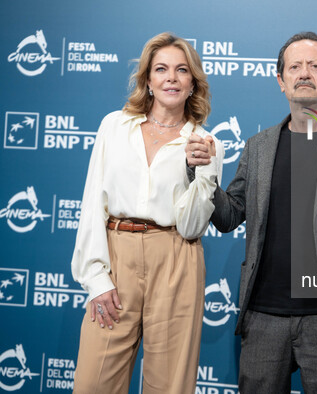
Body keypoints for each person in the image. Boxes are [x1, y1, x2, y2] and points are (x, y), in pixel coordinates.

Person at [186, 32, 317, 393]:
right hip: (263, 315)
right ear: (281, 81)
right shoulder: (258, 147)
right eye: (294, 66)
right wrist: (202, 176)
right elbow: (229, 216)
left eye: (315, 66)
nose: (304, 73)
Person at [71, 32, 223, 393]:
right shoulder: (114, 126)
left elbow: (191, 226)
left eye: (181, 70)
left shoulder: (206, 143)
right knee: (93, 383)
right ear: (148, 81)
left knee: (170, 385)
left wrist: (195, 171)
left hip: (176, 259)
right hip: (117, 254)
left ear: (192, 84)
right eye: (161, 69)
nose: (171, 77)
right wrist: (96, 278)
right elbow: (93, 202)